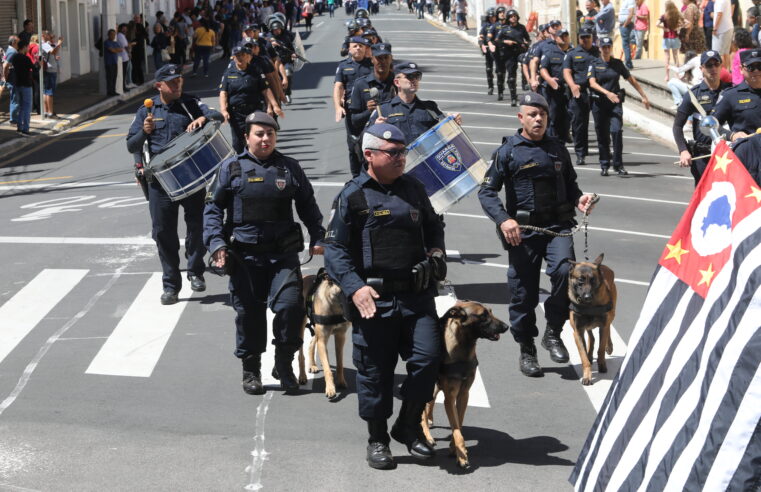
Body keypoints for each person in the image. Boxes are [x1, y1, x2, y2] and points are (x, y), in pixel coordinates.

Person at [324, 123, 446, 470]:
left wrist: (436, 252)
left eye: (403, 152)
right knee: (374, 374)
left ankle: (407, 425)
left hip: (416, 296)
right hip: (373, 301)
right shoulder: (352, 196)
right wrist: (354, 286)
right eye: (393, 153)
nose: (401, 159)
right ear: (369, 155)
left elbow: (433, 225)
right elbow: (334, 249)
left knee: (428, 359)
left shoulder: (414, 189)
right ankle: (377, 439)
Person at [204, 111, 325, 395]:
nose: (265, 139)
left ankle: (283, 363)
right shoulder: (230, 168)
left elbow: (307, 204)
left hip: (282, 255)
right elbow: (212, 209)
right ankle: (251, 369)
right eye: (259, 134)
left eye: (270, 133)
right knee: (249, 314)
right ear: (247, 137)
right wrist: (216, 244)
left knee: (290, 308)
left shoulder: (289, 167)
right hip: (244, 258)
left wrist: (318, 235)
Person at [478, 92, 597, 378]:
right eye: (532, 114)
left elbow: (571, 185)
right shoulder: (508, 151)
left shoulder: (557, 148)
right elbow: (486, 191)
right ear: (521, 118)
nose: (538, 119)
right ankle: (527, 346)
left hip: (558, 226)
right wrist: (503, 220)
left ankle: (552, 332)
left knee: (563, 273)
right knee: (523, 291)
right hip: (522, 232)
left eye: (542, 114)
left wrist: (580, 200)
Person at [126, 64, 223, 304]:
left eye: (179, 80)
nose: (178, 85)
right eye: (172, 82)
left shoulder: (191, 103)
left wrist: (203, 117)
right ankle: (171, 285)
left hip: (191, 176)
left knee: (197, 227)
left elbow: (218, 115)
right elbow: (131, 145)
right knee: (162, 233)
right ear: (159, 85)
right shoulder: (146, 110)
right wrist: (144, 132)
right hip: (160, 181)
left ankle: (196, 271)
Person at [588, 36, 651, 175]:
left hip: (615, 103)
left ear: (611, 48)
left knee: (616, 132)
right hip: (599, 103)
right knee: (603, 135)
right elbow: (592, 83)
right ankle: (604, 164)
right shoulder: (594, 64)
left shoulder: (617, 63)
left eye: (608, 47)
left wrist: (643, 96)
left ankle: (618, 165)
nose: (605, 49)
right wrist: (607, 93)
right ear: (599, 48)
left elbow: (631, 79)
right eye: (603, 47)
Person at [673, 50, 730, 184]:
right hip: (702, 156)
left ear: (721, 66)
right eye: (709, 65)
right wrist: (683, 151)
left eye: (716, 64)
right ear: (701, 69)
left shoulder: (730, 92)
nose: (713, 68)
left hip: (726, 154)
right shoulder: (693, 95)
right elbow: (677, 126)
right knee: (704, 199)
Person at [369, 61, 462, 140]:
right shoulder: (383, 110)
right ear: (397, 82)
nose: (414, 80)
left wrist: (452, 122)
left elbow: (446, 132)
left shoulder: (430, 108)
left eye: (416, 76)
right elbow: (365, 140)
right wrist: (376, 128)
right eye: (409, 76)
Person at [219, 45, 282, 153]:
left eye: (242, 55)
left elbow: (265, 90)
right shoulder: (228, 73)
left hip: (254, 110)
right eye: (237, 55)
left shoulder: (255, 70)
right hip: (236, 113)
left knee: (257, 136)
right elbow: (223, 93)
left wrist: (274, 106)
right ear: (233, 57)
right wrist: (224, 110)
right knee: (238, 143)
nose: (240, 58)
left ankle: (261, 160)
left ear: (247, 56)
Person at [347, 42, 396, 176]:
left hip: (395, 145)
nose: (383, 61)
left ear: (391, 59)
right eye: (379, 58)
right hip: (372, 147)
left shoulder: (398, 82)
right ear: (372, 59)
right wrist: (368, 112)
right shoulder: (361, 84)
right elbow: (354, 121)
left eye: (386, 57)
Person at [334, 36, 373, 176]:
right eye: (355, 46)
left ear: (365, 49)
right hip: (353, 110)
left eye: (361, 46)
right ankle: (356, 177)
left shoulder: (372, 65)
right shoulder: (343, 65)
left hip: (370, 109)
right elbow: (338, 86)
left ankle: (372, 174)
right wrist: (338, 106)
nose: (358, 48)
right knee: (353, 146)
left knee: (372, 143)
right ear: (349, 49)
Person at [563, 26, 600, 166]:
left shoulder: (598, 52)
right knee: (579, 125)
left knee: (601, 125)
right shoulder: (572, 54)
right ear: (578, 38)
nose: (585, 39)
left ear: (592, 38)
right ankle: (580, 153)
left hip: (597, 92)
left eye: (588, 37)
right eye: (582, 37)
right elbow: (566, 72)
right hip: (580, 92)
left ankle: (604, 152)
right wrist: (572, 86)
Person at [711, 48, 761, 140]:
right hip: (747, 150)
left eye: (760, 66)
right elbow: (711, 125)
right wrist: (732, 135)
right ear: (741, 69)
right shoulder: (730, 96)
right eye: (751, 67)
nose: (756, 71)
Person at [491, 8, 530, 104]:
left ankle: (525, 83)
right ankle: (512, 97)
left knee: (526, 67)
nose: (513, 18)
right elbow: (496, 41)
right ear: (508, 18)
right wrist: (505, 41)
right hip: (509, 54)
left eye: (514, 16)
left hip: (520, 52)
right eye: (511, 17)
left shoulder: (521, 27)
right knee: (511, 76)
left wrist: (526, 43)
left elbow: (528, 39)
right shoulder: (504, 28)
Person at [539, 28, 572, 140]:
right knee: (552, 117)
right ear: (556, 38)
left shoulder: (574, 53)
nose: (564, 38)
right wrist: (549, 79)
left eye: (566, 36)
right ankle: (551, 142)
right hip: (553, 91)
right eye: (561, 36)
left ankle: (563, 139)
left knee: (568, 116)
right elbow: (543, 69)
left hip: (569, 91)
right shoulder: (550, 53)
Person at [10, 40, 33, 136]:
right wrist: (39, 64)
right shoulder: (26, 58)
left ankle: (19, 127)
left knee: (21, 107)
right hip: (26, 84)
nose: (28, 49)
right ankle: (25, 129)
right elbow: (34, 69)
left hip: (17, 84)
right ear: (24, 47)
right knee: (27, 107)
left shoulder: (14, 57)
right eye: (27, 47)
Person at [659, 2, 684, 80]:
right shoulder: (677, 15)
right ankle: (677, 74)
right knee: (676, 56)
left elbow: (657, 24)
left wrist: (664, 28)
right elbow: (684, 22)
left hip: (666, 38)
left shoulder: (664, 16)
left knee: (667, 57)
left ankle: (667, 75)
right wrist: (678, 27)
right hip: (675, 37)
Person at [41, 31, 63, 119]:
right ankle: (50, 113)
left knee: (46, 92)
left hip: (50, 69)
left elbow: (53, 54)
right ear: (44, 36)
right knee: (49, 92)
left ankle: (46, 112)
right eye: (50, 36)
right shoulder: (44, 44)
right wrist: (59, 43)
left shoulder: (47, 44)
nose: (52, 38)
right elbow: (53, 52)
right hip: (49, 70)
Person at [478, 8, 497, 96]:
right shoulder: (486, 26)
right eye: (490, 17)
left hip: (498, 50)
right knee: (489, 69)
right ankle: (490, 86)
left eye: (493, 17)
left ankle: (501, 85)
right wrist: (482, 45)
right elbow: (481, 37)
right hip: (488, 50)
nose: (492, 18)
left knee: (499, 70)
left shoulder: (499, 25)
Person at [713, 0, 734, 68]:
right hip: (728, 27)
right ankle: (727, 72)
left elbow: (719, 14)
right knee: (726, 52)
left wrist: (715, 28)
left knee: (718, 53)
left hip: (721, 29)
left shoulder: (720, 1)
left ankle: (721, 73)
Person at [3, 36, 19, 126]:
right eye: (18, 42)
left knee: (15, 99)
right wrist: (6, 77)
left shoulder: (10, 50)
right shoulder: (12, 51)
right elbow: (5, 66)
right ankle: (13, 120)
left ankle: (15, 119)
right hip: (12, 79)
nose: (19, 44)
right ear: (13, 43)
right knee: (15, 100)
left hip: (12, 78)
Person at [104, 29, 122, 96]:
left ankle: (113, 90)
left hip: (115, 62)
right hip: (109, 63)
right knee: (110, 77)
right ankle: (110, 91)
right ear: (108, 35)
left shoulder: (115, 42)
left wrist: (115, 49)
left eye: (114, 34)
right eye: (112, 34)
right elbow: (112, 50)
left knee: (114, 77)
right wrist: (115, 50)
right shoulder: (106, 42)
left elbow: (121, 49)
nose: (113, 36)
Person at [619, 0, 637, 69]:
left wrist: (624, 25)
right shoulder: (624, 1)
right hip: (623, 25)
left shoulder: (630, 1)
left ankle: (628, 64)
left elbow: (631, 14)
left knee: (625, 44)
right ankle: (629, 63)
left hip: (626, 25)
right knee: (625, 44)